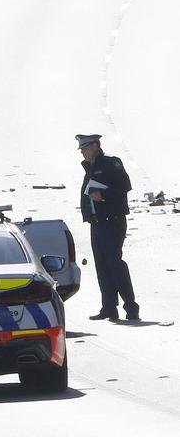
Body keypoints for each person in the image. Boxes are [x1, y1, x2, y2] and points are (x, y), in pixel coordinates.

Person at [76, 134, 140, 322]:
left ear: (96, 146)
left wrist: (102, 195)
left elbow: (125, 186)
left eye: (85, 148)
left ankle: (131, 307)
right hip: (96, 222)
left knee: (115, 263)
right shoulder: (90, 167)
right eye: (82, 149)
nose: (83, 152)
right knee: (102, 267)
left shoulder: (111, 163)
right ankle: (109, 308)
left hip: (112, 221)